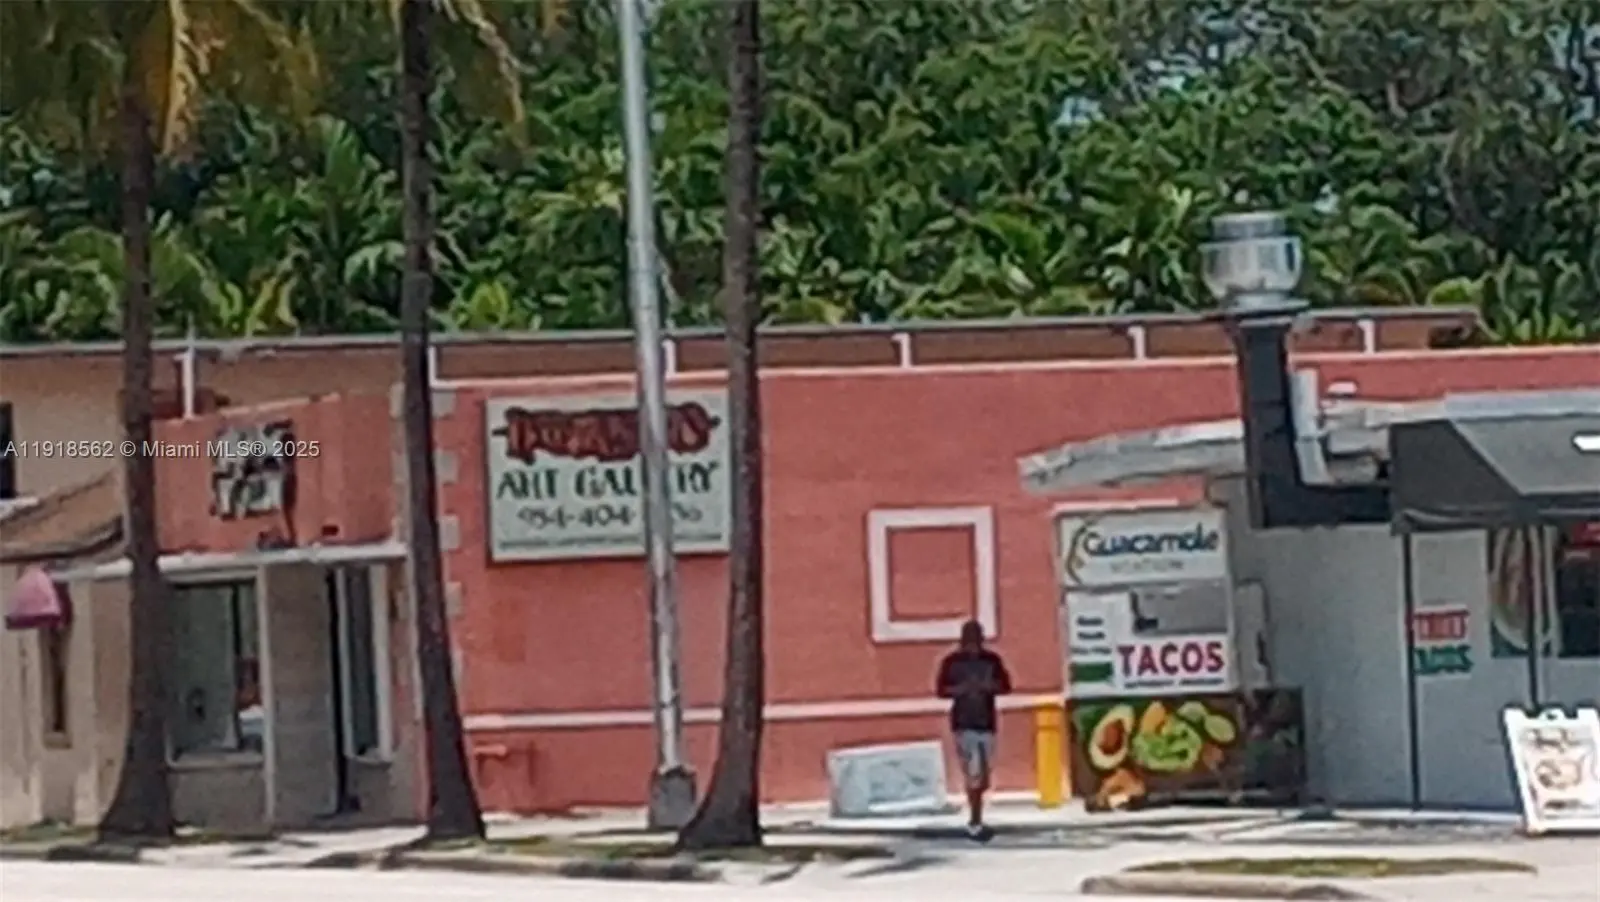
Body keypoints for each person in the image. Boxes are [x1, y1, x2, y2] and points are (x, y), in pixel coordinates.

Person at [935, 619, 1012, 839]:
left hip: (987, 723)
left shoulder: (991, 661)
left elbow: (1006, 686)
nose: (972, 643)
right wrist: (962, 689)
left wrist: (988, 687)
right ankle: (975, 818)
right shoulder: (952, 662)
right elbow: (941, 690)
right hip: (963, 723)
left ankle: (977, 805)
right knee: (974, 772)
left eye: (976, 638)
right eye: (969, 638)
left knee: (985, 777)